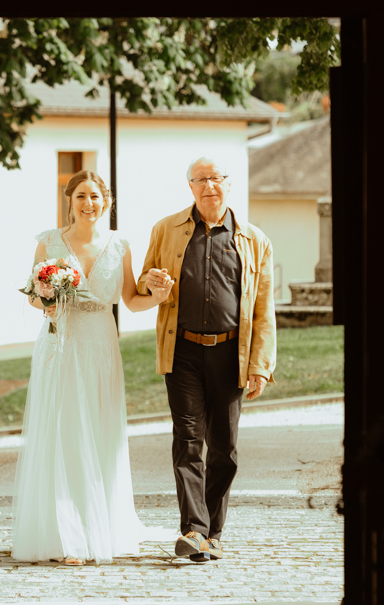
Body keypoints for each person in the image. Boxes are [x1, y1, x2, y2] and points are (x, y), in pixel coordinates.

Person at [11, 170, 175, 566]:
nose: (89, 203)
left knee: (99, 432)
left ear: (107, 202)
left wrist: (159, 296)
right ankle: (64, 534)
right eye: (81, 195)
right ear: (69, 200)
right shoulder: (49, 242)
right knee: (63, 431)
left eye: (96, 197)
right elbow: (33, 296)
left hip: (101, 346)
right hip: (60, 345)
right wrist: (48, 299)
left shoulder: (120, 245)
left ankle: (99, 525)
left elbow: (131, 300)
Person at [137, 157, 277, 563]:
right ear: (191, 187)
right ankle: (193, 530)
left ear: (228, 185)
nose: (209, 186)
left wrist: (260, 365)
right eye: (201, 180)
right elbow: (147, 281)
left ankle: (212, 533)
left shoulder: (254, 239)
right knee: (188, 439)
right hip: (182, 351)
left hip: (231, 352)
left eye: (216, 178)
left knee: (225, 449)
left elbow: (264, 306)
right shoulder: (166, 229)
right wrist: (152, 282)